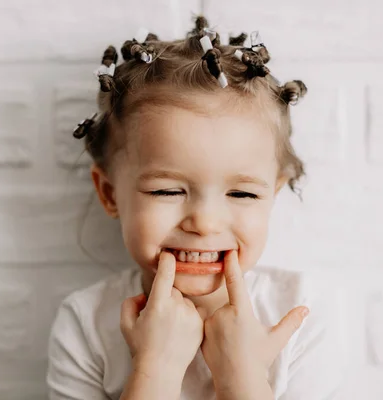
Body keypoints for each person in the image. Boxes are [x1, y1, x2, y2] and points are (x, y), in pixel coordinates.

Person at [47, 16, 346, 400]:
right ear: (109, 194)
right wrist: (154, 371)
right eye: (167, 191)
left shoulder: (301, 314)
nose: (205, 223)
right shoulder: (86, 324)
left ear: (272, 195)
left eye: (242, 194)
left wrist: (242, 378)